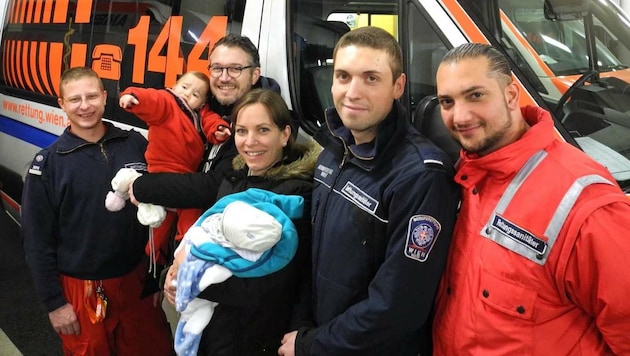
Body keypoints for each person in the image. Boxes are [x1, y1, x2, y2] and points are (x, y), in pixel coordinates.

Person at [432, 43, 630, 354]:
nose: (460, 116)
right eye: (447, 101)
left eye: (475, 95)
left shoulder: (586, 204)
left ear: (511, 95)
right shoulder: (466, 178)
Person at [278, 26, 459, 355]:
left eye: (371, 78)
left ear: (398, 86)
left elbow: (398, 308)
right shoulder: (334, 148)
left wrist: (309, 344)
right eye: (343, 76)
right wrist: (302, 326)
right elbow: (314, 256)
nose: (352, 92)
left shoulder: (420, 176)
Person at [142, 88, 319, 355]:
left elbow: (270, 283)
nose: (250, 142)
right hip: (214, 331)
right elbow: (203, 235)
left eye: (262, 130)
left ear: (284, 134)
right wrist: (172, 273)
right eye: (242, 131)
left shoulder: (294, 196)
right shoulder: (233, 179)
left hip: (255, 336)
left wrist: (190, 282)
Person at [129, 33, 283, 336]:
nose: (224, 78)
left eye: (235, 69)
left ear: (255, 74)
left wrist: (142, 187)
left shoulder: (259, 121)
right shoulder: (201, 104)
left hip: (230, 278)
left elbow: (210, 187)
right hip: (191, 253)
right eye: (217, 69)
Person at [20, 67, 172, 355]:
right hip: (81, 291)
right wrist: (54, 304)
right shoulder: (48, 164)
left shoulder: (135, 144)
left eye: (91, 96)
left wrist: (155, 276)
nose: (85, 106)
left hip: (135, 282)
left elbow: (163, 210)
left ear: (104, 98)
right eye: (75, 99)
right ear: (61, 104)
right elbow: (37, 242)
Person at [117, 71, 230, 267]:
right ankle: (152, 254)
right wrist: (134, 97)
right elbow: (153, 99)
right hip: (162, 170)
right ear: (174, 86)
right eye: (184, 87)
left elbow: (211, 122)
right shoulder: (168, 102)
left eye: (196, 94)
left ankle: (187, 248)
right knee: (160, 220)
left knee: (191, 214)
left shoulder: (201, 114)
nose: (187, 94)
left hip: (185, 174)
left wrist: (218, 130)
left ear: (203, 103)